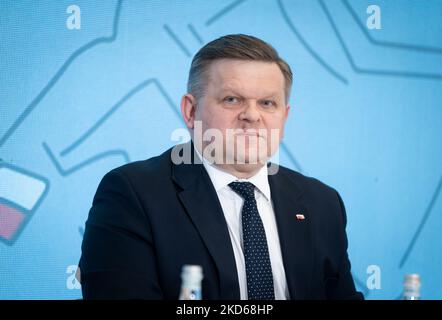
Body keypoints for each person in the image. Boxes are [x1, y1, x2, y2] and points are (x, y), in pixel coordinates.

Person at [78, 34, 363, 300]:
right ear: (191, 111)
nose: (252, 116)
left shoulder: (322, 203)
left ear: (284, 117)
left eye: (267, 103)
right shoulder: (132, 195)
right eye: (231, 99)